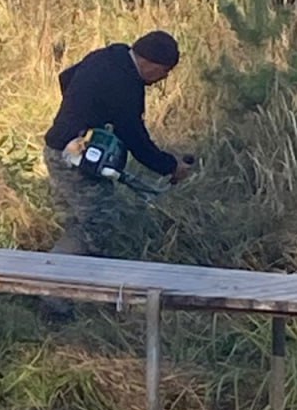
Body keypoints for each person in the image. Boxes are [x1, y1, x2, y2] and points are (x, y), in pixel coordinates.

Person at [43, 29, 191, 258]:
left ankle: (61, 282)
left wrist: (83, 114)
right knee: (100, 224)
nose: (164, 77)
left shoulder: (107, 56)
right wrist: (170, 166)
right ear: (149, 62)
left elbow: (66, 77)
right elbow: (135, 137)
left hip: (56, 149)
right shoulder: (126, 84)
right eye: (165, 71)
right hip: (74, 161)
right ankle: (54, 283)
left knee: (78, 222)